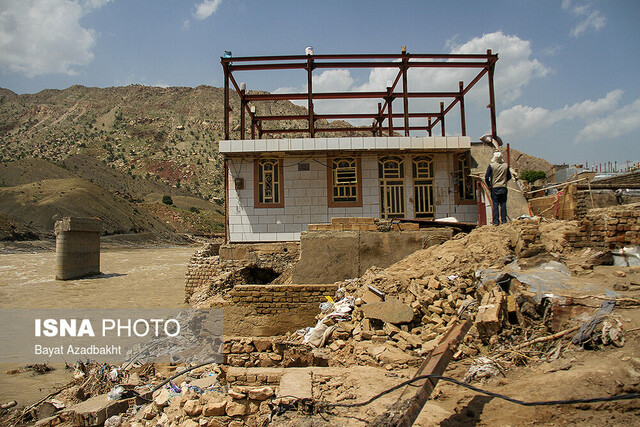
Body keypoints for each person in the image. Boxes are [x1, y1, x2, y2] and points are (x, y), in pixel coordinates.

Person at [485, 151, 512, 225]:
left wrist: (489, 185)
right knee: (503, 204)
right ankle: (504, 221)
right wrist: (504, 181)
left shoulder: (492, 166)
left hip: (495, 187)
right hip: (503, 187)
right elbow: (509, 177)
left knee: (495, 204)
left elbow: (486, 177)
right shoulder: (505, 166)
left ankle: (496, 221)